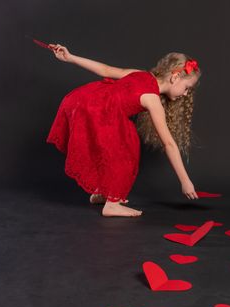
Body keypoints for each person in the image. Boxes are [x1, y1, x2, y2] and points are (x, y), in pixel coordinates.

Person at [46, 43, 202, 217]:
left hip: (83, 99)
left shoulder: (141, 74)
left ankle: (103, 193)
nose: (186, 94)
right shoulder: (152, 99)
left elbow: (105, 70)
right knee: (127, 147)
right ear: (175, 77)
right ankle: (112, 205)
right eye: (187, 88)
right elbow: (169, 144)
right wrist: (185, 181)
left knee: (110, 148)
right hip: (100, 110)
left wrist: (70, 57)